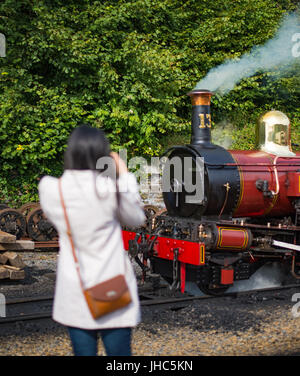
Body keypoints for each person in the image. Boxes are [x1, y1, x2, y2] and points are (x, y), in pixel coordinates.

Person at [38, 124, 146, 356]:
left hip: (76, 291)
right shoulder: (110, 190)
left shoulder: (50, 189)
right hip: (112, 289)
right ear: (102, 155)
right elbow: (137, 218)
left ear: (71, 152)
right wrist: (125, 174)